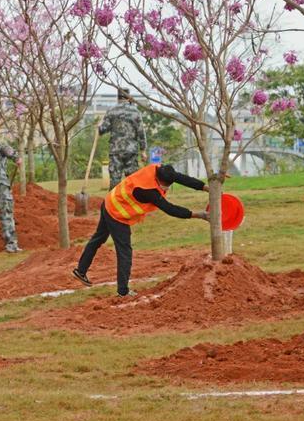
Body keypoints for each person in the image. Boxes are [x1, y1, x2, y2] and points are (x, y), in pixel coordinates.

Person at [72, 164, 209, 297]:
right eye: (167, 185)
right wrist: (198, 215)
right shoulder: (148, 191)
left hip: (110, 200)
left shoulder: (157, 169)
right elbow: (170, 209)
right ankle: (123, 292)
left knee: (98, 238)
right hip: (117, 213)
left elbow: (182, 178)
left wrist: (206, 187)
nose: (168, 187)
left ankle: (81, 270)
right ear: (161, 180)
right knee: (124, 251)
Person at [99, 88, 148, 189]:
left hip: (115, 151)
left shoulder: (111, 111)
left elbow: (103, 129)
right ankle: (132, 202)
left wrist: (99, 126)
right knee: (132, 179)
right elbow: (141, 132)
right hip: (131, 150)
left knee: (115, 180)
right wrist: (143, 150)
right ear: (128, 97)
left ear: (117, 98)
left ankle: (113, 202)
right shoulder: (136, 112)